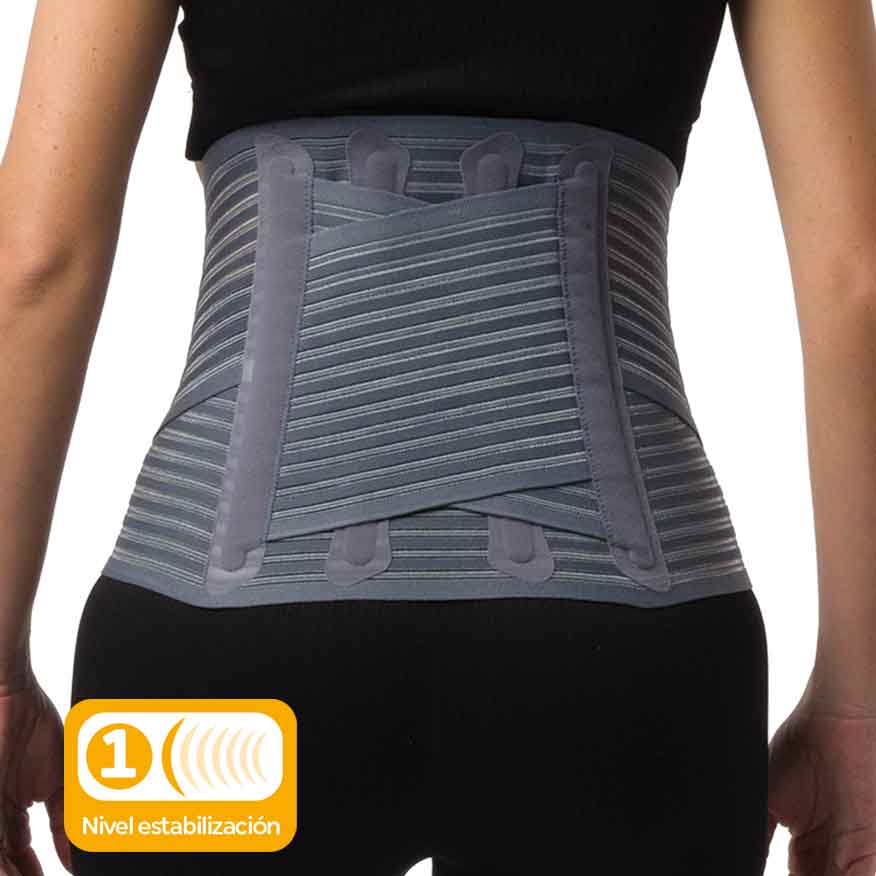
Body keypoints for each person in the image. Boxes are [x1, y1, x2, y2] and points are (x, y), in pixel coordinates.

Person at [1, 1, 876, 874]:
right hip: (625, 667)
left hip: (211, 676)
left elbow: (34, 262)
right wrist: (859, 710)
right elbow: (857, 280)